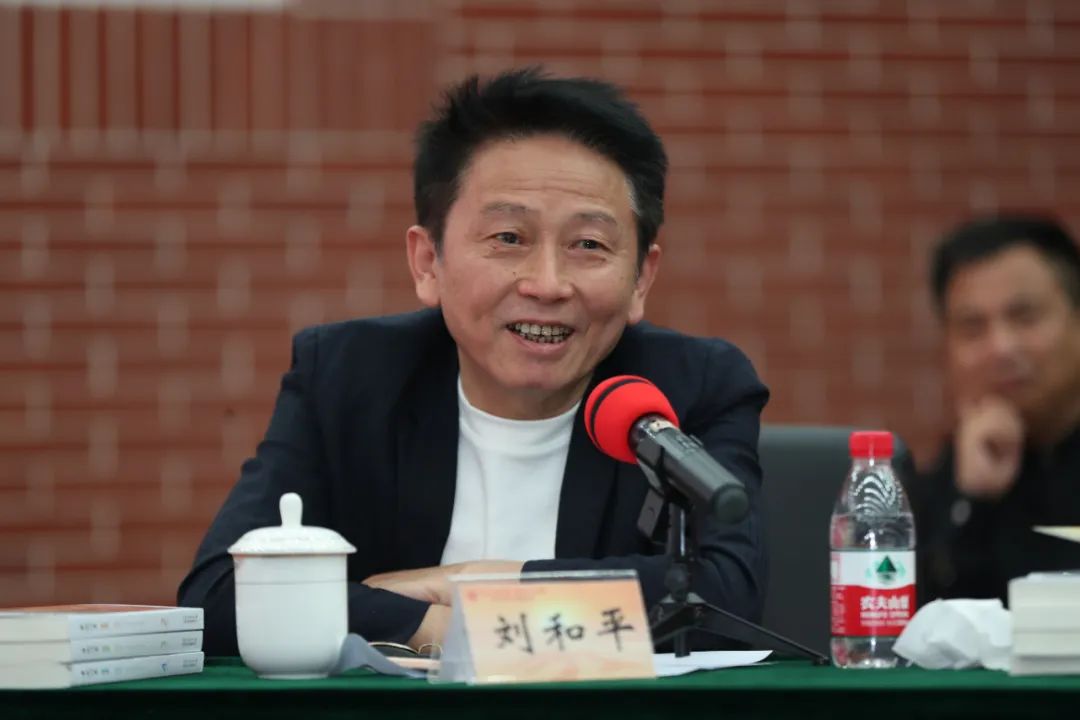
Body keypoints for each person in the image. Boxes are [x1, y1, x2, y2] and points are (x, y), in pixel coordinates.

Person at [178, 68, 769, 656]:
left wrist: (471, 583)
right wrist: (437, 628)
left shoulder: (692, 388)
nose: (547, 284)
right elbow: (222, 596)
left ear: (641, 278)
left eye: (588, 245)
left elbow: (723, 601)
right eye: (509, 238)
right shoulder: (347, 377)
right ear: (427, 262)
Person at [911, 213, 1080, 605]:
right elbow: (930, 624)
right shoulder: (951, 483)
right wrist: (974, 502)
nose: (1001, 348)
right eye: (973, 328)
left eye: (1025, 317)